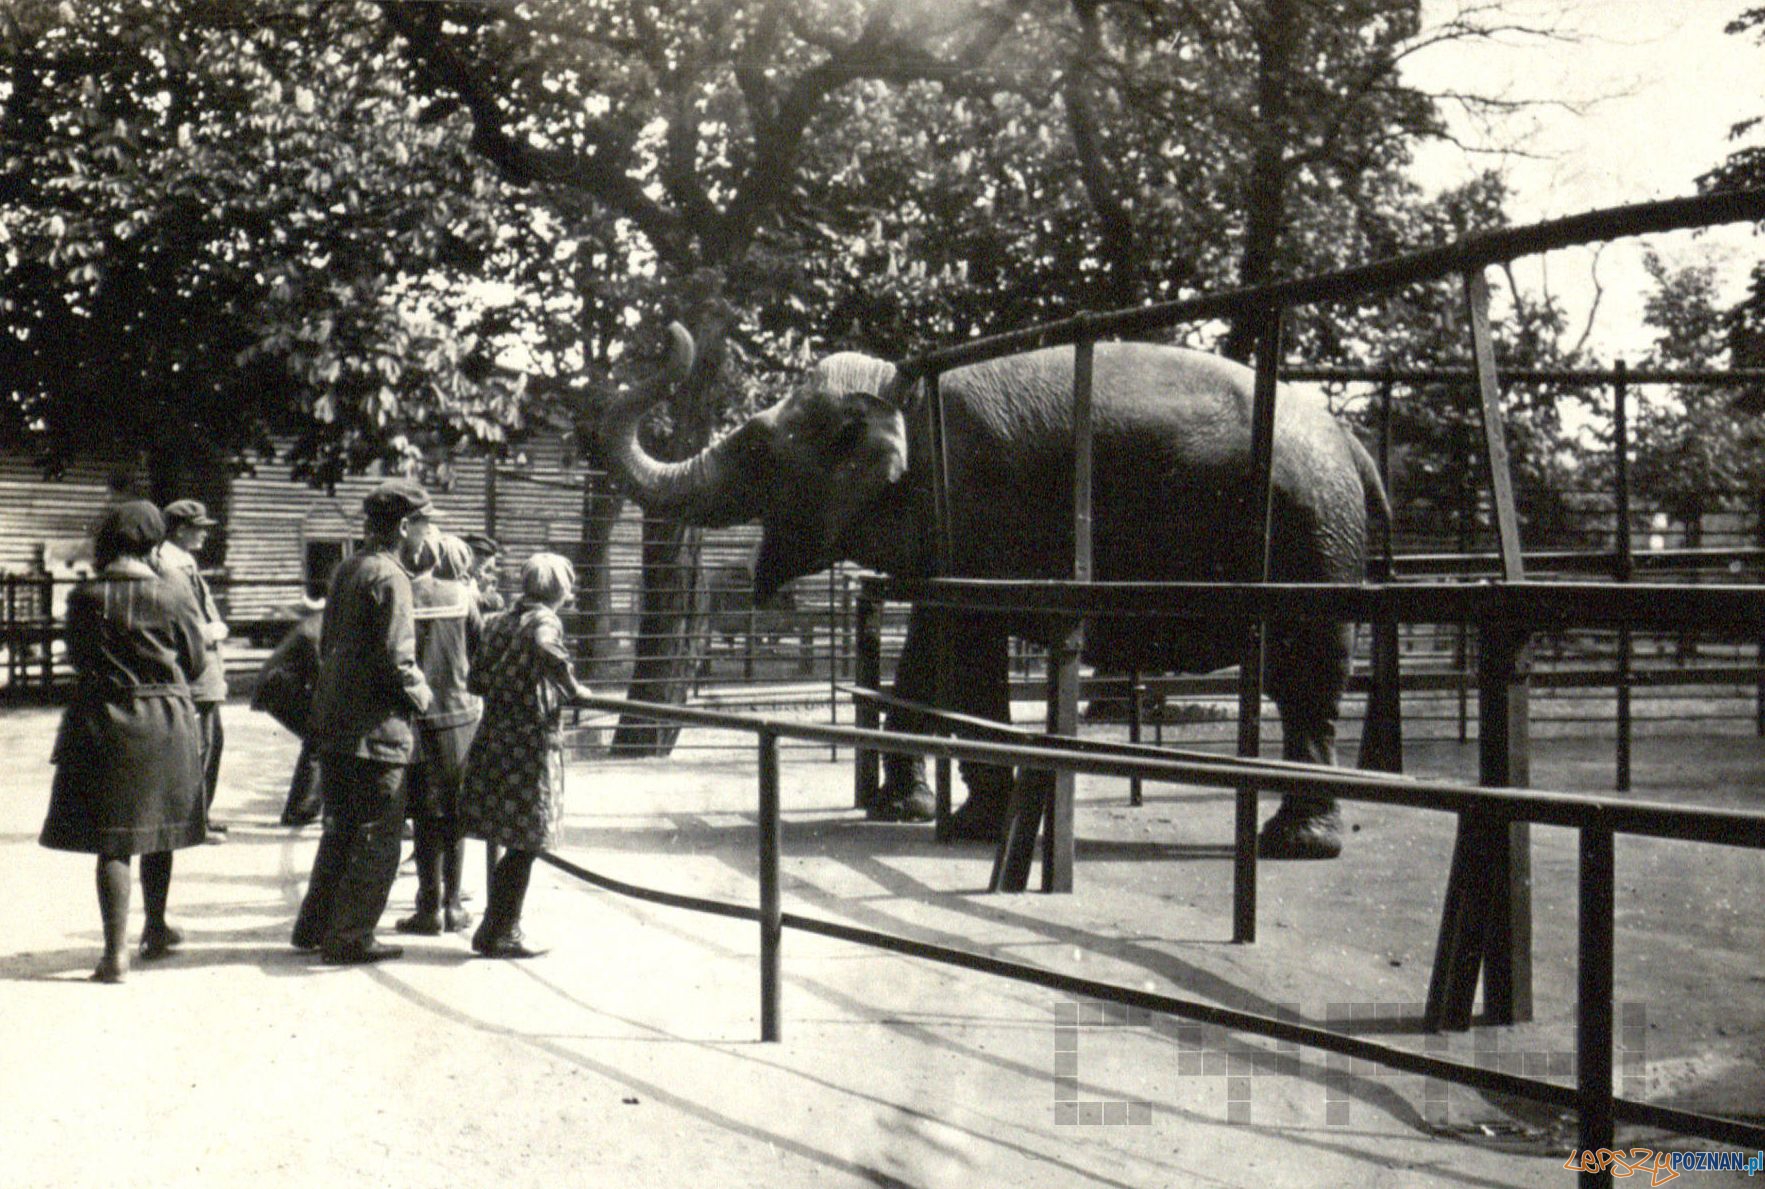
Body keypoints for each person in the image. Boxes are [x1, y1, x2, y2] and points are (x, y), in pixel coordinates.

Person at [40, 501, 208, 983]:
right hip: (164, 722)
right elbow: (194, 662)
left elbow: (76, 657)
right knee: (159, 828)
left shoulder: (86, 597)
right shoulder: (175, 593)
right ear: (154, 543)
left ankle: (115, 954)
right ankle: (154, 926)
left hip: (104, 720)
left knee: (113, 841)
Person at [290, 479, 435, 965]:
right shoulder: (392, 578)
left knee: (341, 829)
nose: (424, 535)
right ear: (402, 526)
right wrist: (424, 697)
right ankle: (351, 935)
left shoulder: (348, 568)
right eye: (422, 525)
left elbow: (328, 643)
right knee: (377, 836)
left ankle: (314, 925)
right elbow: (399, 660)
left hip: (338, 724)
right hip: (377, 729)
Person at [459, 551, 592, 959]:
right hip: (530, 743)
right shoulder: (544, 621)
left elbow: (477, 679)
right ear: (561, 590)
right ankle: (500, 930)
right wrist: (573, 688)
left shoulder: (499, 622)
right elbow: (546, 647)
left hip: (496, 736)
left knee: (514, 835)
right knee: (529, 837)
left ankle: (497, 926)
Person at [396, 534, 482, 936]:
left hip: (416, 718)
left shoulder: (401, 593)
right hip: (461, 715)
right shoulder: (464, 596)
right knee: (456, 813)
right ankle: (452, 904)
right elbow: (480, 653)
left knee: (425, 814)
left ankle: (427, 906)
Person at [155, 499, 230, 841]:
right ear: (181, 530)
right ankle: (192, 822)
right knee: (199, 745)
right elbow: (178, 619)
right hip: (193, 669)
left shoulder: (185, 562)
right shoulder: (169, 566)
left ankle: (200, 815)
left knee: (211, 742)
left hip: (205, 671)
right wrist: (209, 631)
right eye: (199, 528)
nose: (204, 534)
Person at [250, 598, 325, 827]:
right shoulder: (319, 630)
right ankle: (299, 811)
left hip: (278, 686)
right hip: (279, 688)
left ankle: (305, 808)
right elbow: (322, 676)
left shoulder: (319, 623)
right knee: (320, 739)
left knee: (320, 740)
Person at [463, 532, 505, 612]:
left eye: (487, 554)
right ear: (465, 553)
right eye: (477, 553)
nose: (483, 559)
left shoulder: (475, 580)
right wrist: (488, 599)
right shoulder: (457, 576)